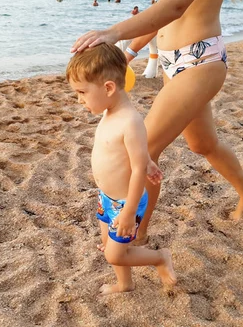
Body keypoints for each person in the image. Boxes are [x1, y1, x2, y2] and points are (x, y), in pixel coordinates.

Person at [71, 0, 243, 248]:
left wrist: (113, 32)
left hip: (200, 59)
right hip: (172, 61)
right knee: (203, 144)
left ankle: (137, 233)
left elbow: (176, 6)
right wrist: (131, 52)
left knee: (145, 148)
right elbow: (162, 11)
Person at [66, 43, 176, 295]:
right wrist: (148, 160)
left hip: (126, 203)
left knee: (115, 255)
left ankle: (160, 257)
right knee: (108, 244)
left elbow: (137, 172)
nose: (79, 99)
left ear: (108, 88)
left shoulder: (130, 120)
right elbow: (133, 153)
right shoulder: (110, 111)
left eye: (82, 92)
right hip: (107, 197)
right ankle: (125, 284)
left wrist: (128, 212)